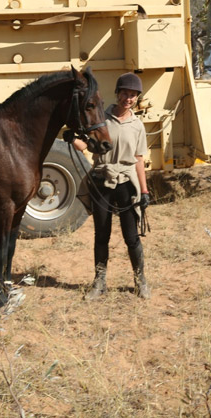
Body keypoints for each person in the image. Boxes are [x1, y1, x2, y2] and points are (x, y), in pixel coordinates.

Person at [72, 72, 151, 300]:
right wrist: (70, 139)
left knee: (131, 236)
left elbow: (138, 160)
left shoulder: (137, 126)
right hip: (101, 179)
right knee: (101, 235)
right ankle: (99, 282)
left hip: (126, 182)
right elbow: (85, 146)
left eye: (134, 95)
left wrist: (144, 191)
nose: (129, 98)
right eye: (125, 93)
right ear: (117, 94)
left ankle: (140, 281)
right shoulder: (102, 118)